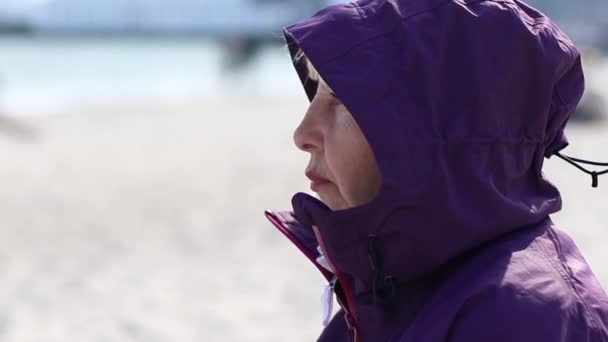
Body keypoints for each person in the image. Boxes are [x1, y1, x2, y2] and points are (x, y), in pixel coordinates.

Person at [264, 0, 608, 341]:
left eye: (340, 99)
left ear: (438, 135)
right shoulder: (393, 283)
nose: (303, 134)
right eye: (315, 96)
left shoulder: (519, 317)